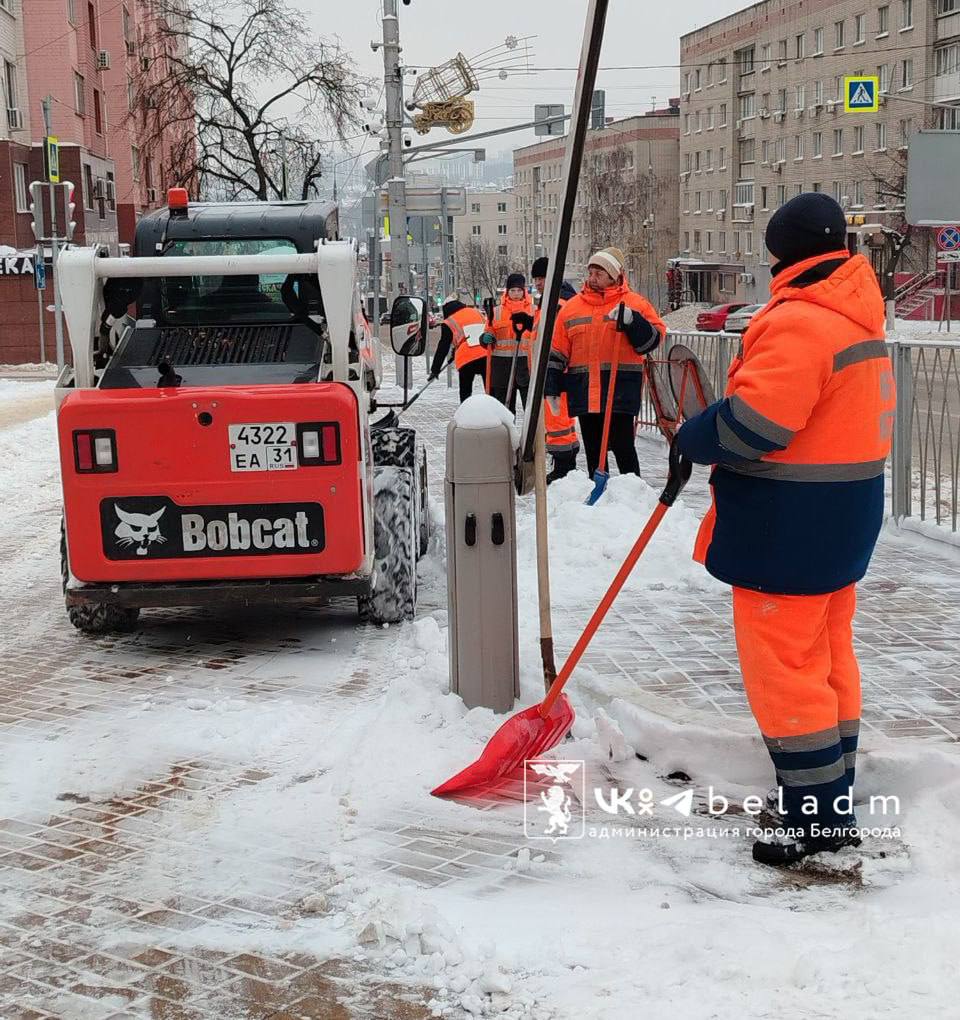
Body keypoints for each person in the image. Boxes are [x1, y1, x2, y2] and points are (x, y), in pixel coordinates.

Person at [674, 193, 897, 866]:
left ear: (782, 252)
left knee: (787, 675)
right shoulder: (854, 312)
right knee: (828, 664)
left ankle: (816, 823)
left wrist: (697, 433)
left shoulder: (801, 322)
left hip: (789, 533)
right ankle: (829, 795)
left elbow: (761, 425)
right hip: (841, 524)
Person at [546, 247, 665, 479]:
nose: (592, 278)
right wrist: (551, 387)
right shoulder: (572, 309)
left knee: (623, 446)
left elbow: (654, 339)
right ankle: (598, 491)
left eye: (599, 273)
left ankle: (633, 491)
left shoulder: (634, 303)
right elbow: (558, 350)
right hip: (583, 388)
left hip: (620, 389)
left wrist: (633, 321)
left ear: (614, 276)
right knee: (593, 447)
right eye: (590, 272)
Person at [529, 256, 580, 482]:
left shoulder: (556, 304)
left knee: (557, 418)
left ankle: (564, 467)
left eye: (542, 278)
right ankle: (566, 464)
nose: (538, 283)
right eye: (536, 278)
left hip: (554, 371)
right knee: (562, 419)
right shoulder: (550, 302)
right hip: (551, 370)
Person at [428, 291, 490, 402]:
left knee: (465, 392)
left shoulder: (449, 321)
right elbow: (475, 334)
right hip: (485, 354)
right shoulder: (475, 312)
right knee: (490, 391)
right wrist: (455, 350)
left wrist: (435, 369)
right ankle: (494, 413)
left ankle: (465, 414)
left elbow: (443, 347)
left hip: (466, 359)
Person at [487, 272, 535, 412]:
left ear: (524, 291)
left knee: (530, 407)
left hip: (526, 364)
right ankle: (507, 433)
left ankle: (530, 433)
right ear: (507, 292)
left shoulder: (533, 311)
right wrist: (486, 338)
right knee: (505, 409)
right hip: (502, 366)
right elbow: (489, 331)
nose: (516, 293)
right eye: (512, 290)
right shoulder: (496, 312)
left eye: (519, 290)